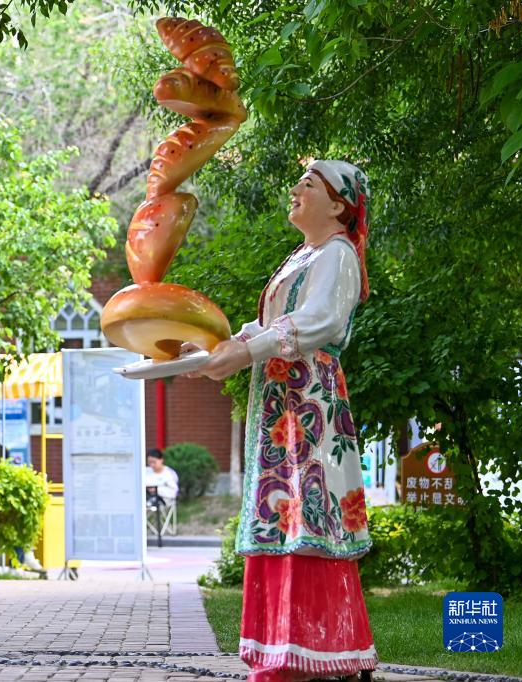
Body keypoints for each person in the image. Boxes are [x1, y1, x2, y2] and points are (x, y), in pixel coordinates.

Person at [189, 161, 376, 681]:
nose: (295, 189)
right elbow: (268, 327)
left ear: (339, 206)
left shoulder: (338, 254)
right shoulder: (304, 255)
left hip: (308, 402)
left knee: (305, 509)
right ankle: (283, 651)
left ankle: (309, 655)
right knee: (283, 512)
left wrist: (245, 352)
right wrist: (211, 350)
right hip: (283, 402)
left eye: (309, 185)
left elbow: (319, 322)